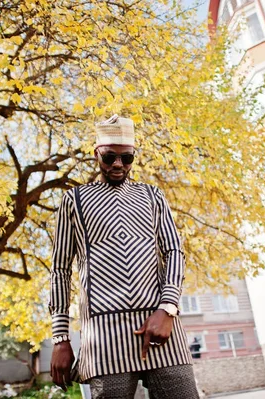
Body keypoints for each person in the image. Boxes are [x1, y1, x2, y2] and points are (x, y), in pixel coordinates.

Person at [49, 115, 199, 398]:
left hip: (161, 327)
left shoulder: (153, 196)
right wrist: (60, 338)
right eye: (109, 157)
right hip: (103, 337)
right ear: (97, 155)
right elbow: (59, 270)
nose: (118, 164)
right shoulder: (74, 200)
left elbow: (174, 251)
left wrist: (167, 308)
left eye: (126, 157)